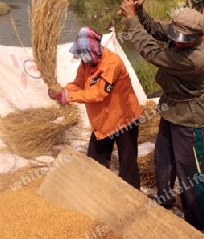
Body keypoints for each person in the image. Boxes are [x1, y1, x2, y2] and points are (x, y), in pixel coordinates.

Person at [120, 0, 204, 233]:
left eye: (185, 38)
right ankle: (165, 200)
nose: (178, 41)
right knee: (163, 159)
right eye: (177, 35)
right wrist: (139, 11)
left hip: (190, 117)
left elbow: (151, 52)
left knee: (191, 173)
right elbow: (157, 30)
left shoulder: (195, 59)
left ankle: (197, 223)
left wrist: (130, 19)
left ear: (199, 36)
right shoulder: (182, 38)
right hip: (170, 108)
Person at [48, 26, 142, 189]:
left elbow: (97, 94)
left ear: (94, 49)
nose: (83, 58)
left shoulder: (111, 63)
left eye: (85, 54)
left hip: (124, 120)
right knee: (95, 160)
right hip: (103, 121)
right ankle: (99, 192)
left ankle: (132, 199)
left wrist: (69, 97)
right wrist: (62, 91)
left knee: (128, 164)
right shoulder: (87, 63)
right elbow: (78, 84)